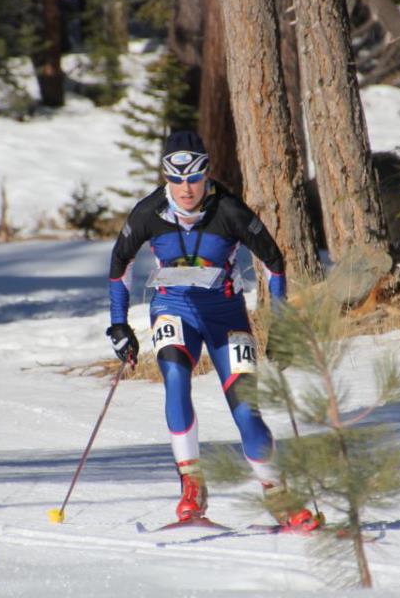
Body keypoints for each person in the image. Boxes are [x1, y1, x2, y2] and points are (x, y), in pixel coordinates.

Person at [106, 130, 320, 531]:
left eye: (194, 178)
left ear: (206, 174)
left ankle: (280, 496)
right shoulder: (147, 212)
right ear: (166, 177)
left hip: (226, 316)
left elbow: (274, 263)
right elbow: (119, 268)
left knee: (247, 410)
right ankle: (191, 484)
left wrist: (282, 325)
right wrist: (119, 324)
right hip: (173, 308)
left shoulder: (231, 211)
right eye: (176, 179)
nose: (186, 189)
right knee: (173, 375)